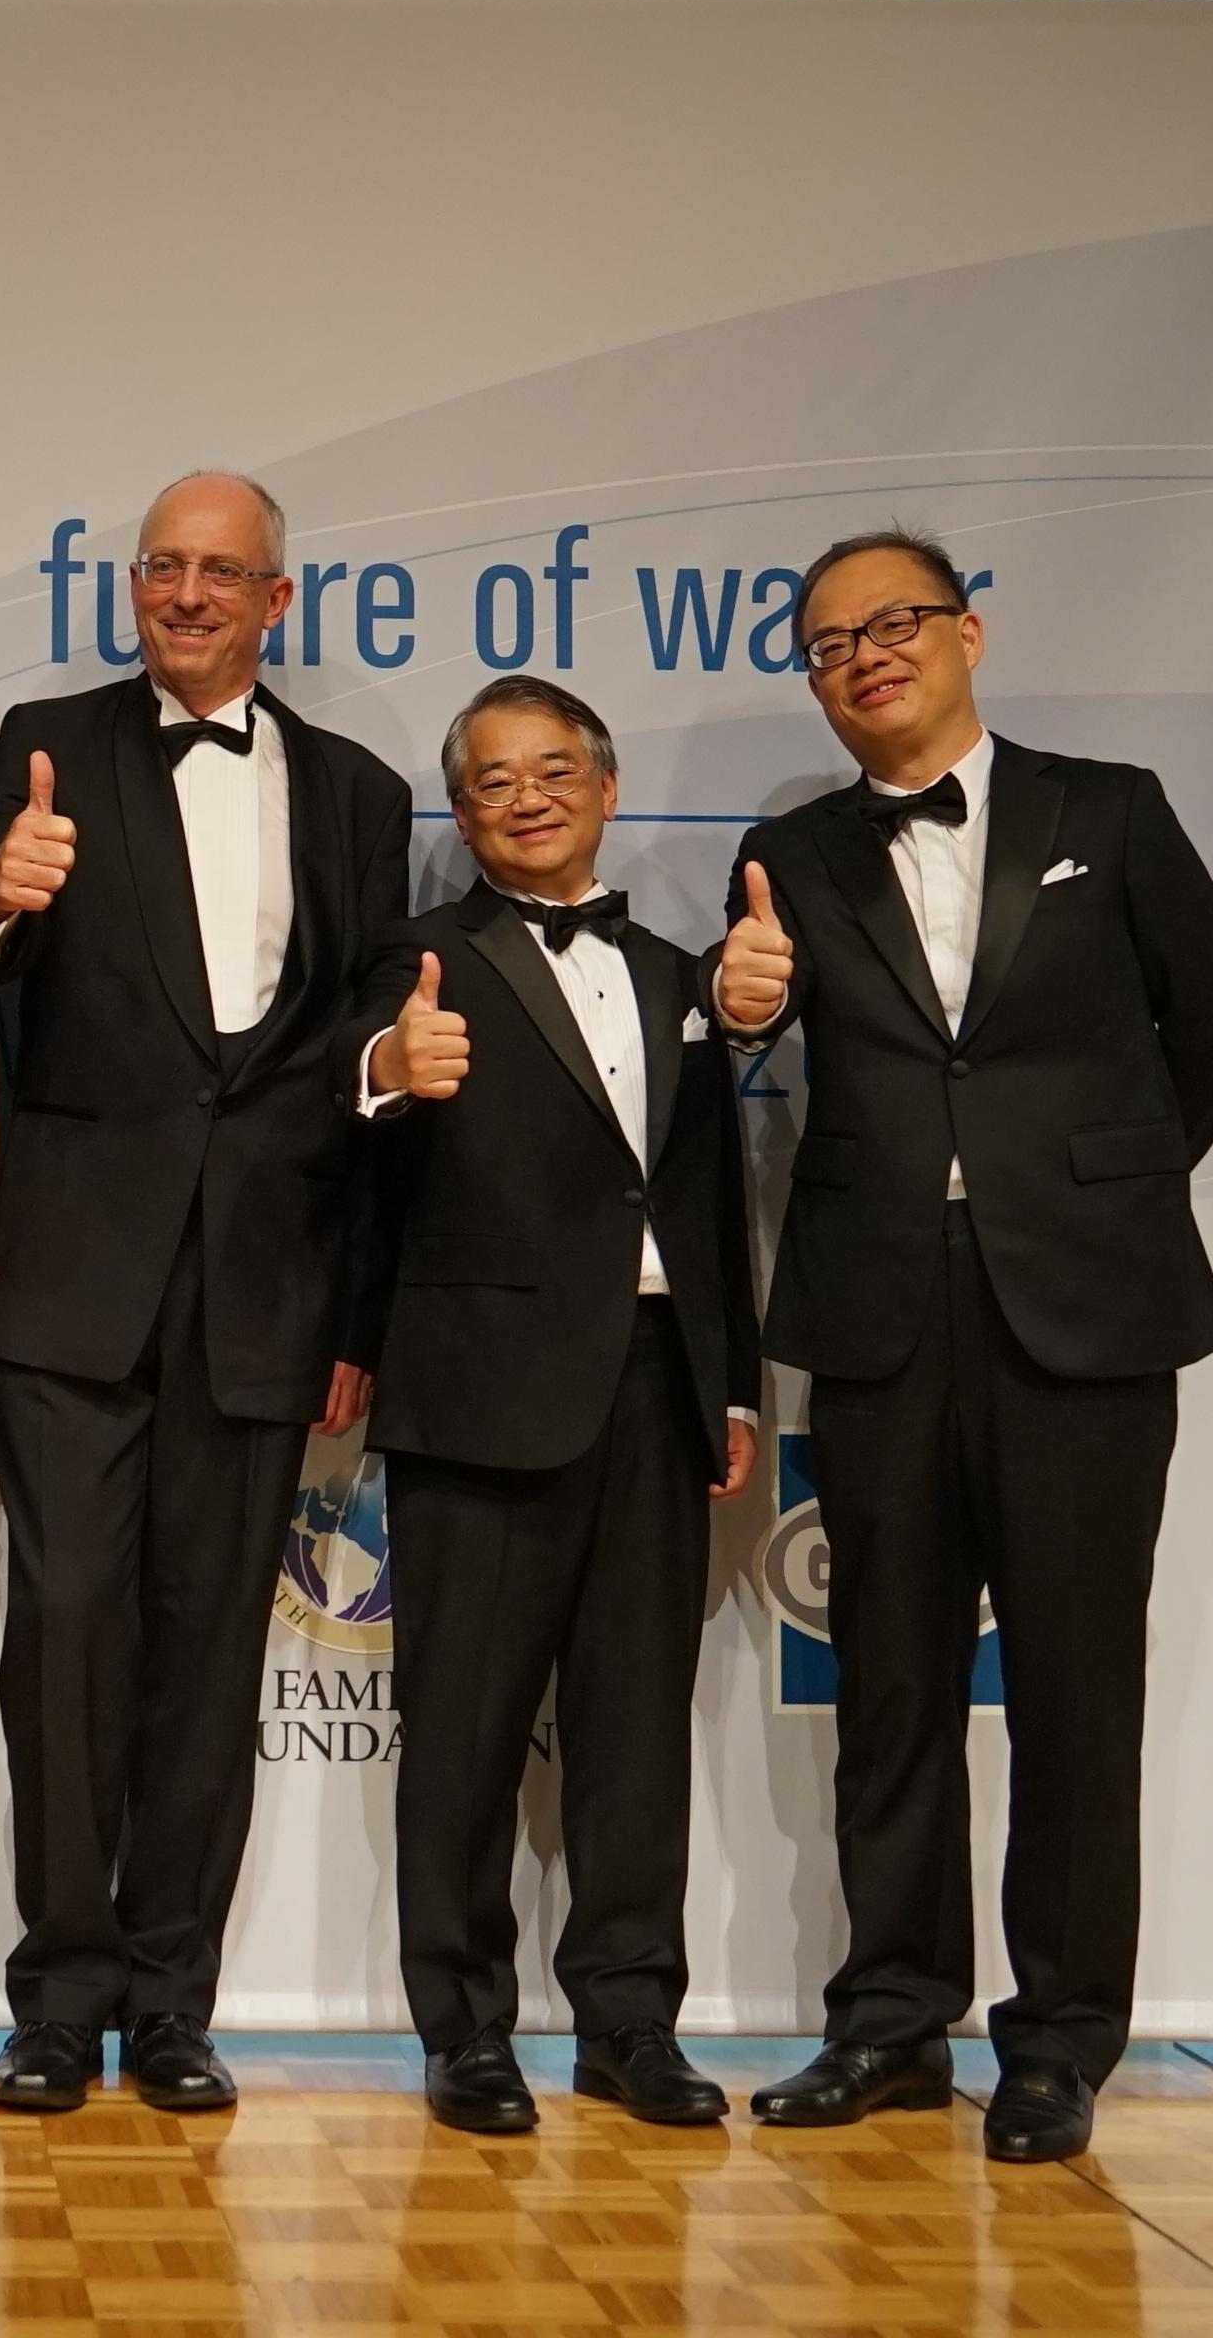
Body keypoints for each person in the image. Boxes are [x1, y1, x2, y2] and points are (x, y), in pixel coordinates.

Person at [712, 527, 1213, 2164]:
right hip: (882, 1306)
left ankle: (1061, 2041)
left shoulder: (1113, 808)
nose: (866, 655)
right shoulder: (791, 851)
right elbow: (745, 1024)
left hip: (1086, 1310)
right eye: (828, 643)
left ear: (967, 635)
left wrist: (1096, 1186)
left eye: (895, 624)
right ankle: (889, 2022)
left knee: (1080, 1689)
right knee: (884, 1685)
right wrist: (742, 1011)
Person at [0, 469, 413, 2116]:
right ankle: (58, 2001)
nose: (191, 593)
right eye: (165, 566)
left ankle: (172, 2003)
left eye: (224, 572)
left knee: (213, 1649)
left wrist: (355, 1316)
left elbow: (373, 1056)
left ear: (277, 601)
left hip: (267, 1291)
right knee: (67, 1632)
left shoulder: (360, 792)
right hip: (74, 1274)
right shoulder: (46, 740)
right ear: (133, 586)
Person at [352, 676, 759, 2136]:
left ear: (603, 784)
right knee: (460, 1730)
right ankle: (461, 2028)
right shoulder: (412, 958)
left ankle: (629, 2024)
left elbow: (707, 1195)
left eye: (554, 770)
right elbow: (329, 1141)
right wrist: (385, 1074)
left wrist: (734, 1386)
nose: (527, 796)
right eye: (492, 781)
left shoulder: (673, 976)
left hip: (657, 1390)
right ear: (460, 815)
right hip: (478, 1390)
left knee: (638, 1727)